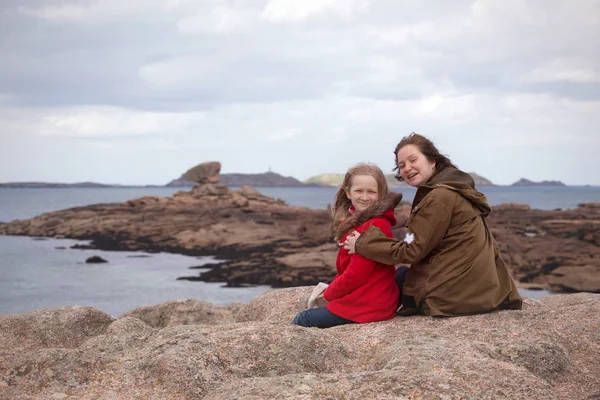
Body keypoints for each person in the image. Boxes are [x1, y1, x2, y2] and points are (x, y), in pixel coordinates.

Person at [344, 133, 522, 317]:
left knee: (382, 281)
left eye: (413, 160)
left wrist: (363, 243)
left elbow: (410, 250)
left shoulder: (439, 197)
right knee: (398, 275)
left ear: (432, 161)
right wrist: (397, 236)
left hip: (452, 296)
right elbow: (416, 237)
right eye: (402, 165)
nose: (407, 168)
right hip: (482, 289)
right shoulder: (454, 188)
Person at [292, 163, 401, 328]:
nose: (365, 197)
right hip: (367, 297)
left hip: (369, 304)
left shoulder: (376, 225)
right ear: (348, 193)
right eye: (359, 191)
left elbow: (356, 274)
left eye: (371, 192)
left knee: (304, 319)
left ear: (381, 195)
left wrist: (329, 294)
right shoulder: (358, 221)